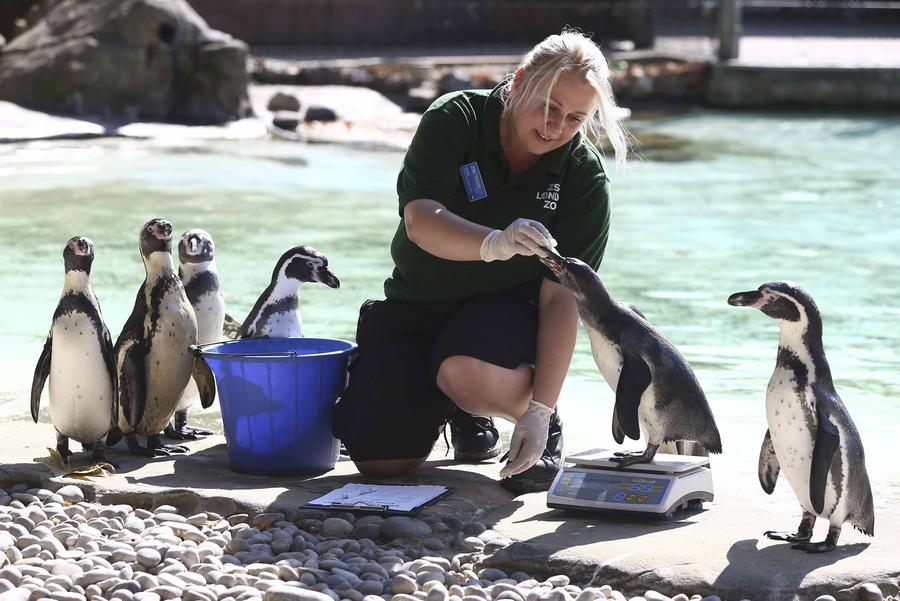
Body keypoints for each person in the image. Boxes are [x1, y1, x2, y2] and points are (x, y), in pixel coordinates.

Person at [332, 29, 628, 494]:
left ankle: (515, 414)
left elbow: (560, 300)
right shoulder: (457, 117)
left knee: (467, 374)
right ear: (520, 82)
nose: (555, 128)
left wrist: (540, 411)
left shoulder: (583, 176)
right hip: (419, 303)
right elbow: (420, 222)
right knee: (379, 462)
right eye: (548, 107)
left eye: (574, 118)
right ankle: (454, 409)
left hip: (507, 315)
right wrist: (494, 242)